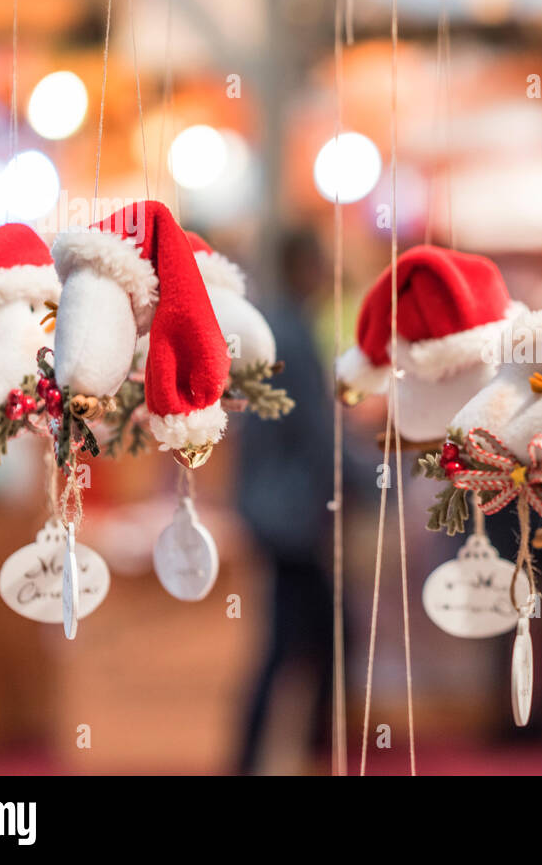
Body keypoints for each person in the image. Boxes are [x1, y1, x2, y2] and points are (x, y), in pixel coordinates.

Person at [235, 229, 335, 774]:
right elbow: (318, 433)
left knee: (302, 636)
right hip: (287, 515)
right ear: (304, 267)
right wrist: (372, 481)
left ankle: (277, 753)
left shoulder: (274, 328)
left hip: (271, 509)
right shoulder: (292, 334)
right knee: (296, 641)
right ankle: (271, 755)